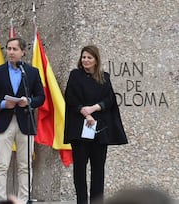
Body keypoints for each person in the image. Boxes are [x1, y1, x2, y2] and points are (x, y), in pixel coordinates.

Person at [63, 45, 128, 204]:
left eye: (89, 58)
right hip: (80, 128)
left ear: (96, 60)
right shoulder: (75, 75)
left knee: (98, 170)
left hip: (100, 129)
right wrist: (85, 113)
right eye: (83, 57)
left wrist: (94, 108)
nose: (85, 60)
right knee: (80, 169)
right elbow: (70, 97)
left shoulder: (104, 77)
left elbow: (109, 99)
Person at [0, 37, 45, 202]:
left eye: (14, 49)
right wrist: (3, 104)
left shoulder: (31, 72)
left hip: (25, 122)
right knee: (1, 165)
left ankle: (23, 200)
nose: (10, 52)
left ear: (23, 52)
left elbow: (41, 97)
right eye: (8, 48)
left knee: (25, 166)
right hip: (4, 122)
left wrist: (29, 101)